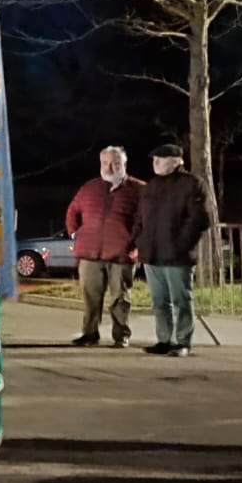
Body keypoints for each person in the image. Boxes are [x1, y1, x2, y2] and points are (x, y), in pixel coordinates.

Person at [135, 144, 214, 359]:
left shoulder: (191, 184)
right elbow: (139, 217)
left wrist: (181, 244)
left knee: (181, 300)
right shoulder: (151, 186)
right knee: (159, 301)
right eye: (154, 159)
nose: (155, 162)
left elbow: (199, 219)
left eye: (160, 159)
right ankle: (164, 339)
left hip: (177, 255)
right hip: (152, 254)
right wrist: (140, 240)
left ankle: (182, 341)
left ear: (176, 161)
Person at [64, 146, 143, 347]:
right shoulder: (89, 188)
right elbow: (73, 211)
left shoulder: (139, 190)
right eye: (105, 163)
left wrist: (139, 246)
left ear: (124, 164)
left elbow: (147, 220)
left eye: (115, 163)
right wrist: (75, 234)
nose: (109, 168)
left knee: (120, 298)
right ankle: (89, 334)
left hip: (122, 253)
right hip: (89, 253)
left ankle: (121, 334)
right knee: (90, 296)